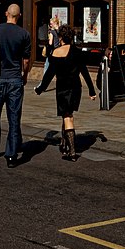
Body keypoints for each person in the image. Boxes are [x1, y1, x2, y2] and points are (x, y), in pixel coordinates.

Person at [34, 24, 96, 160]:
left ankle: (72, 152)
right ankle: (65, 144)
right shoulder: (77, 51)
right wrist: (92, 91)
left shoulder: (56, 53)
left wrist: (40, 89)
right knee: (67, 114)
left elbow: (49, 75)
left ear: (60, 37)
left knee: (68, 117)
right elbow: (84, 72)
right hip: (76, 88)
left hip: (63, 89)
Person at [0, 3, 32, 167]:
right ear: (19, 16)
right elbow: (25, 61)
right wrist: (24, 76)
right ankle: (11, 155)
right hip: (15, 81)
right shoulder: (24, 34)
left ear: (6, 13)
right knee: (14, 118)